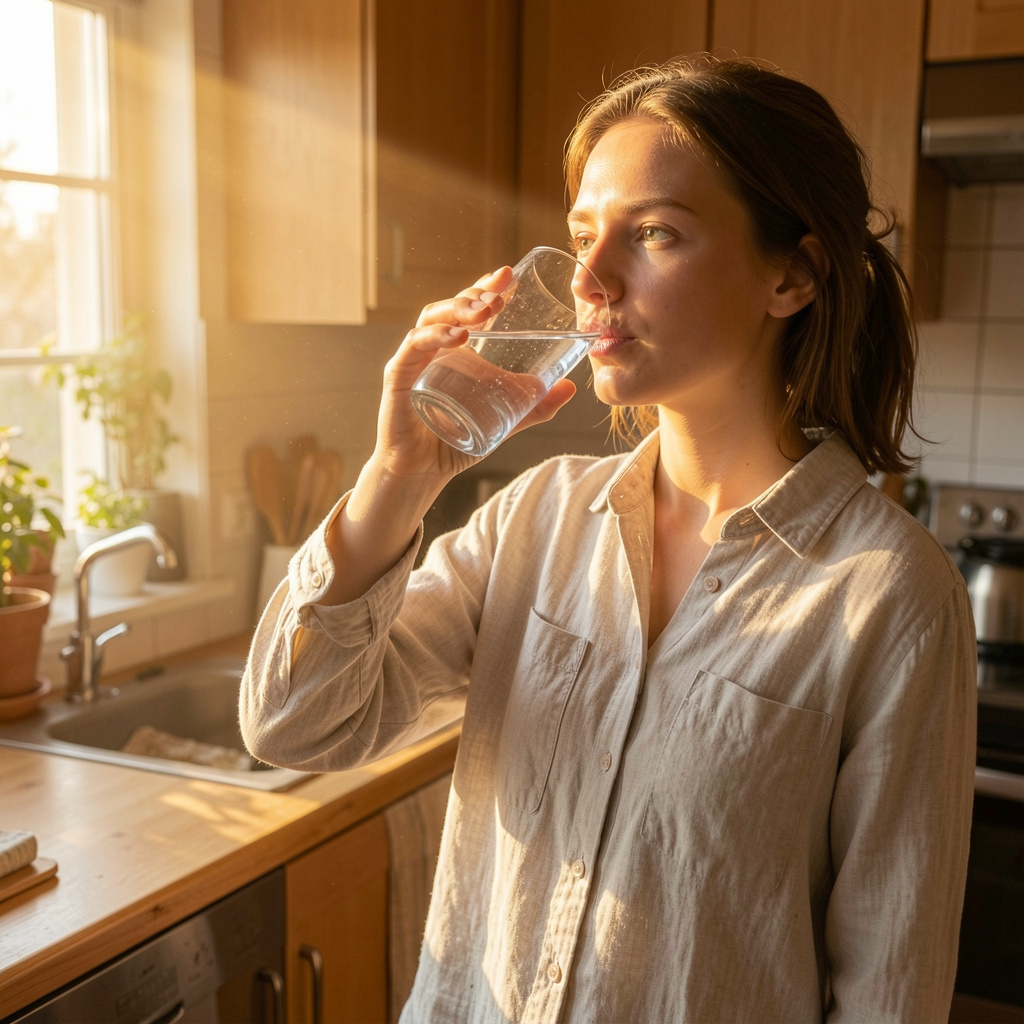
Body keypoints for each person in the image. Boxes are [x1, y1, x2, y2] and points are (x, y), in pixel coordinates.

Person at [241, 54, 977, 1023]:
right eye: (582, 235)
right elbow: (293, 725)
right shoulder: (532, 521)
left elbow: (889, 996)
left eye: (654, 234)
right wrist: (396, 481)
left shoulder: (887, 594)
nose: (588, 279)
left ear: (790, 275)